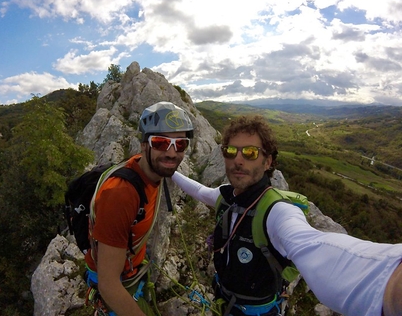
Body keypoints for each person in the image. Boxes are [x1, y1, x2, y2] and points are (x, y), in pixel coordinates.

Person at [171, 115, 402, 316]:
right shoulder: (226, 197)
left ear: (268, 161)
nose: (238, 159)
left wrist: (389, 284)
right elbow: (201, 192)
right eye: (231, 151)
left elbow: (314, 245)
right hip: (223, 298)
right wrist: (170, 172)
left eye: (250, 152)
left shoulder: (277, 212)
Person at [84, 101, 194, 316]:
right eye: (161, 142)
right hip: (117, 283)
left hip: (133, 271)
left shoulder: (150, 170)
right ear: (144, 145)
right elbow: (108, 284)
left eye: (180, 144)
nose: (172, 153)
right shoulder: (120, 194)